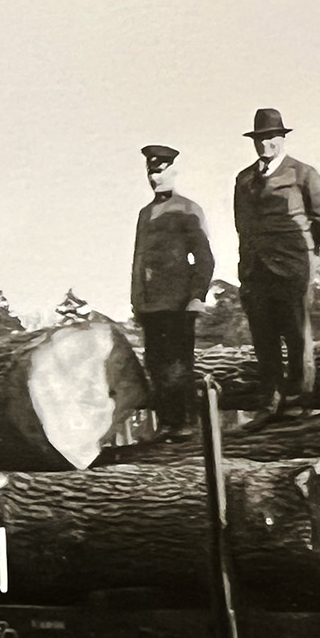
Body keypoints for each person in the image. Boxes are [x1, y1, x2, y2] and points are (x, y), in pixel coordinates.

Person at [233, 108, 320, 421]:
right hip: (255, 270)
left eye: (271, 137)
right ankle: (271, 401)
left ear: (282, 138)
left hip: (292, 269)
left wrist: (301, 253)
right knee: (264, 338)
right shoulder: (244, 179)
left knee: (296, 335)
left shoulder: (303, 173)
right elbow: (242, 224)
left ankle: (302, 400)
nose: (266, 144)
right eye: (260, 138)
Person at [129, 145, 214, 439]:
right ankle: (166, 424)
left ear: (173, 171)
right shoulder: (144, 214)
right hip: (151, 306)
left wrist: (197, 296)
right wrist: (136, 300)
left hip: (178, 304)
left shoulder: (188, 209)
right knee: (155, 366)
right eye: (151, 171)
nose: (156, 177)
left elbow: (203, 257)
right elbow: (139, 260)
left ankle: (186, 426)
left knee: (178, 367)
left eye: (161, 170)